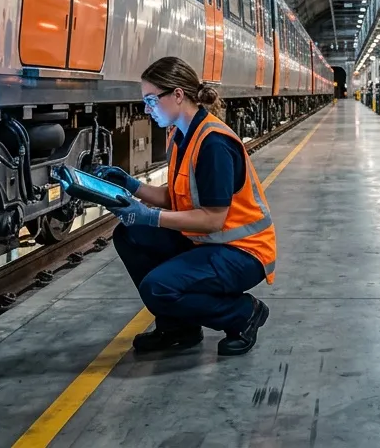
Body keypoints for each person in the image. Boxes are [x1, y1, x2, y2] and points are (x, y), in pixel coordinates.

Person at [90, 57, 276, 356]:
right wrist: (130, 185)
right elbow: (177, 198)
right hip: (210, 243)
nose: (147, 108)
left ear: (178, 95)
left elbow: (213, 219)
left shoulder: (213, 143)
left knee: (158, 287)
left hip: (242, 251)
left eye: (151, 99)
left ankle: (242, 314)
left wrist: (150, 217)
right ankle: (179, 328)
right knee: (130, 234)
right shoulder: (182, 134)